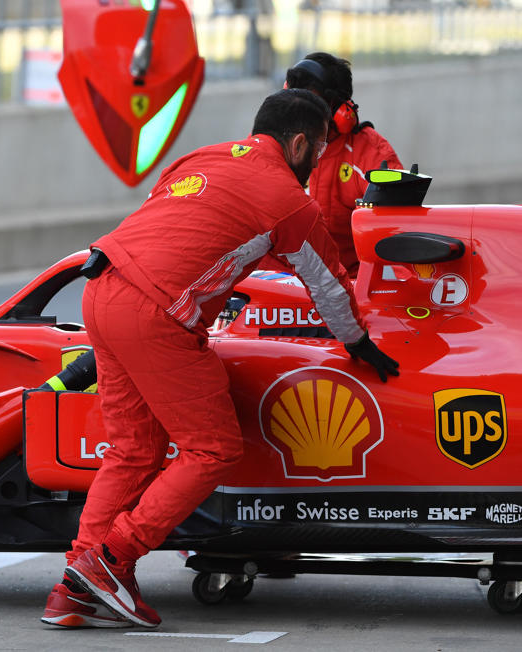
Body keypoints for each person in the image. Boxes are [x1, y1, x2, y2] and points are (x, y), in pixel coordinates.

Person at [41, 88, 399, 630]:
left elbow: (164, 225)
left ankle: (73, 587)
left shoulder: (200, 156)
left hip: (101, 287)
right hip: (156, 311)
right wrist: (359, 344)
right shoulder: (287, 199)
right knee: (213, 449)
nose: (320, 161)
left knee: (133, 450)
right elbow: (328, 285)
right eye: (321, 149)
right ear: (299, 142)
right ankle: (112, 558)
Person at [285, 52, 402, 277]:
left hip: (350, 285)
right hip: (281, 284)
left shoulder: (371, 153)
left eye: (309, 100)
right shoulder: (271, 140)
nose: (297, 109)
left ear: (340, 112)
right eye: (292, 96)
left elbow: (397, 239)